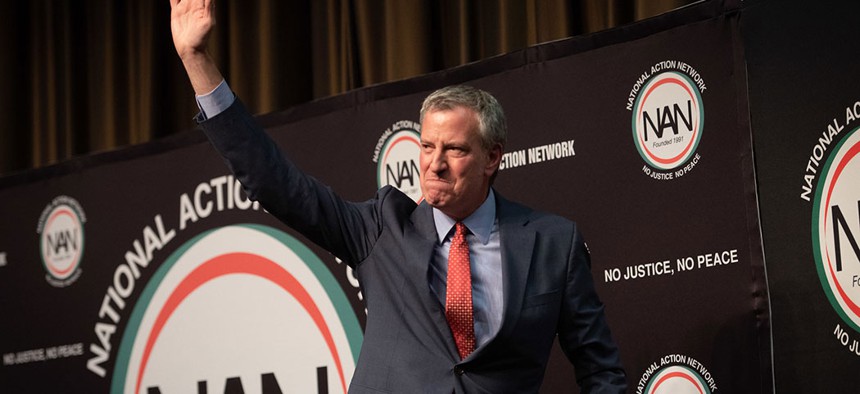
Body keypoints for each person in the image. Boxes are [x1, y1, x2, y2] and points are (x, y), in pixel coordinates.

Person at [169, 0, 627, 392]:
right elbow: (275, 182)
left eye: (455, 149)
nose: (435, 163)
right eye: (427, 146)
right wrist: (196, 59)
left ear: (492, 158)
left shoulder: (553, 243)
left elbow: (600, 367)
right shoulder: (380, 229)